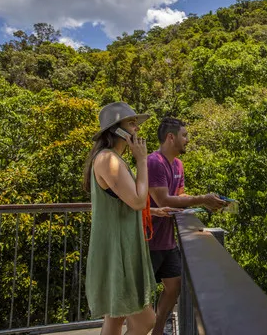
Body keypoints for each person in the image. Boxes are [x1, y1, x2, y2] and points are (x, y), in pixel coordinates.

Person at [82, 102, 177, 335]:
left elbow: (125, 202)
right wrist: (142, 160)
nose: (137, 129)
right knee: (146, 321)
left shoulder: (113, 159)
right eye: (131, 123)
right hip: (118, 252)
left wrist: (152, 212)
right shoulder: (108, 160)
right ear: (116, 129)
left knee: (114, 321)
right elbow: (136, 200)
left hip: (119, 250)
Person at [147, 117, 227, 335]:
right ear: (170, 137)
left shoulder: (178, 165)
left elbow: (180, 196)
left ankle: (157, 332)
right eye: (184, 135)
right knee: (140, 298)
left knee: (174, 287)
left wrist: (207, 204)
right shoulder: (154, 162)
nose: (187, 140)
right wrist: (201, 199)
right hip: (147, 239)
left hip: (167, 240)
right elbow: (163, 199)